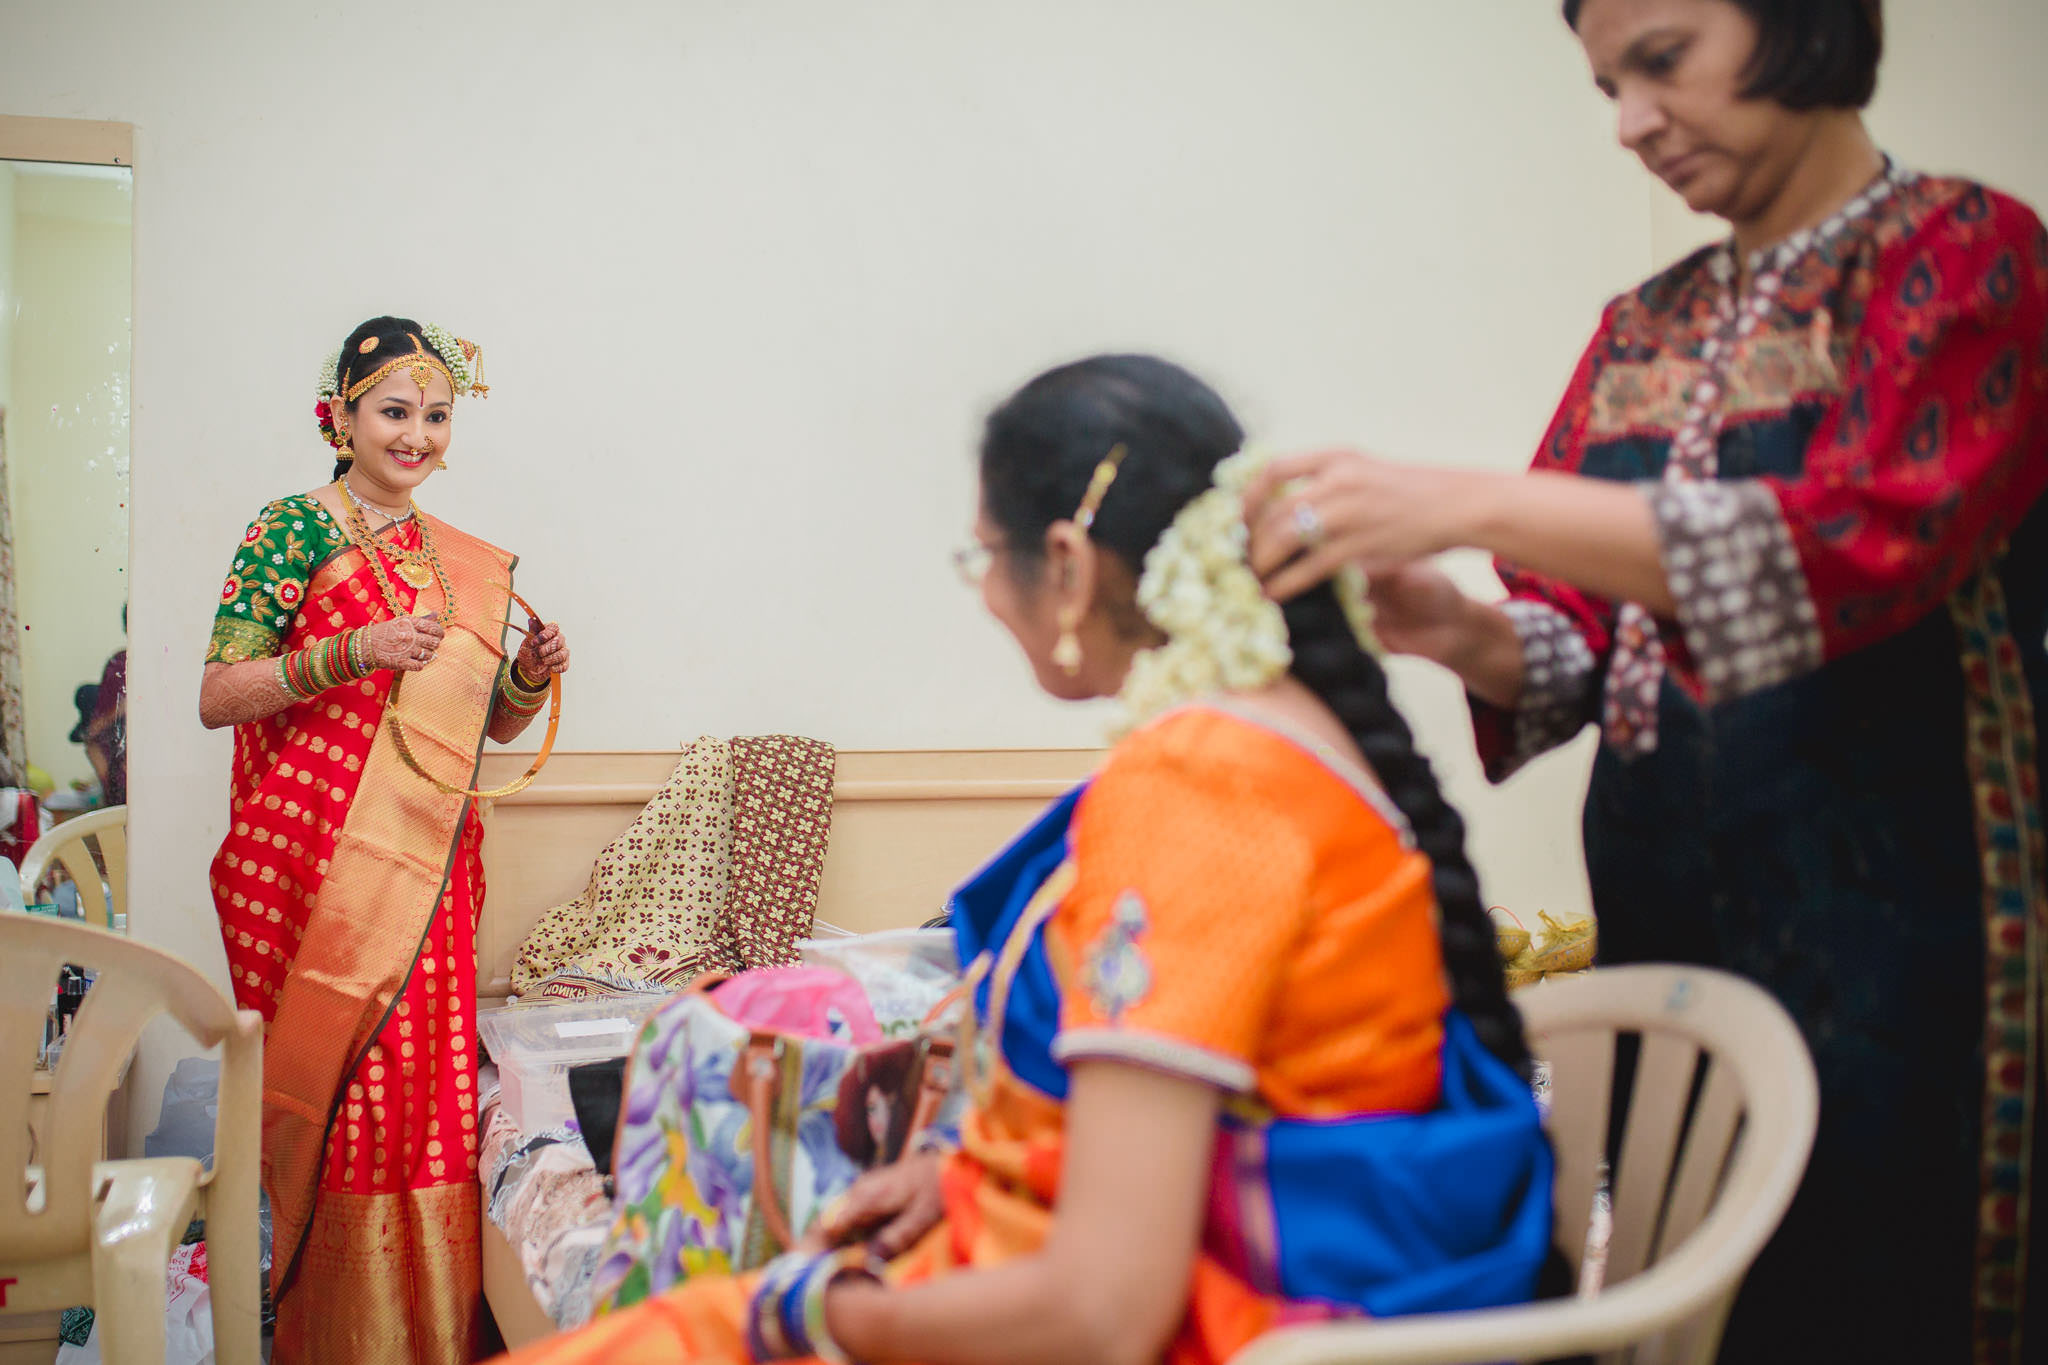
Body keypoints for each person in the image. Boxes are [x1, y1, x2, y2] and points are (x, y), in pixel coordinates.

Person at [1240, 2, 2048, 1361]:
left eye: (1661, 63)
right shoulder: (1643, 329)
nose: (1628, 125)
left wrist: (1464, 497)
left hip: (1907, 920)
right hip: (1672, 897)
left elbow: (1857, 543)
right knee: (1703, 1295)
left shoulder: (1970, 254)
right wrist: (1448, 621)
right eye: (1609, 84)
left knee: (1880, 1288)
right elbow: (1586, 654)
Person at [493, 354, 1552, 1365]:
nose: (988, 597)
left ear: (1065, 564)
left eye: (981, 560)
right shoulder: (1286, 737)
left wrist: (817, 1311)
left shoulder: (1199, 786)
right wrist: (957, 1175)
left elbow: (1099, 1315)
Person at [198, 316, 572, 1364]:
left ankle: (425, 1330)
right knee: (339, 1091)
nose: (416, 435)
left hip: (426, 865)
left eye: (436, 416)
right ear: (342, 416)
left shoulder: (456, 565)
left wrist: (528, 675)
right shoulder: (290, 531)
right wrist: (351, 648)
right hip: (311, 870)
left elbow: (480, 726)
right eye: (394, 412)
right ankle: (331, 1331)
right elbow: (219, 695)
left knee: (422, 1092)